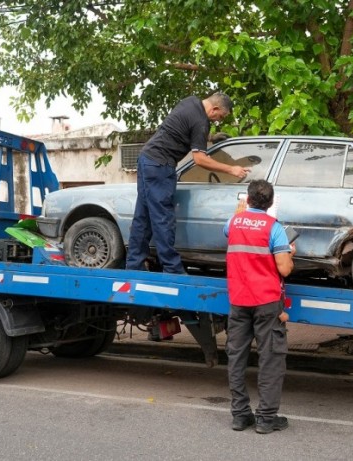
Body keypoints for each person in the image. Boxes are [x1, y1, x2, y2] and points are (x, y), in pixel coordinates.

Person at [125, 92, 250, 274]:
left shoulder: (190, 102)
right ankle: (172, 268)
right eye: (220, 116)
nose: (218, 121)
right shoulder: (201, 122)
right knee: (163, 218)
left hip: (147, 159)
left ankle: (134, 265)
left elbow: (181, 129)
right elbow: (200, 159)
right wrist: (231, 169)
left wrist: (209, 137)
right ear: (214, 109)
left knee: (143, 217)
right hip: (160, 165)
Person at [224, 179, 295, 434]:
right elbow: (284, 268)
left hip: (239, 300)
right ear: (271, 203)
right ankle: (265, 418)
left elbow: (231, 233)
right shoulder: (275, 228)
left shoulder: (232, 222)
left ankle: (240, 415)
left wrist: (240, 213)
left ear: (248, 199)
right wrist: (289, 252)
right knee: (271, 359)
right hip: (266, 302)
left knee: (236, 356)